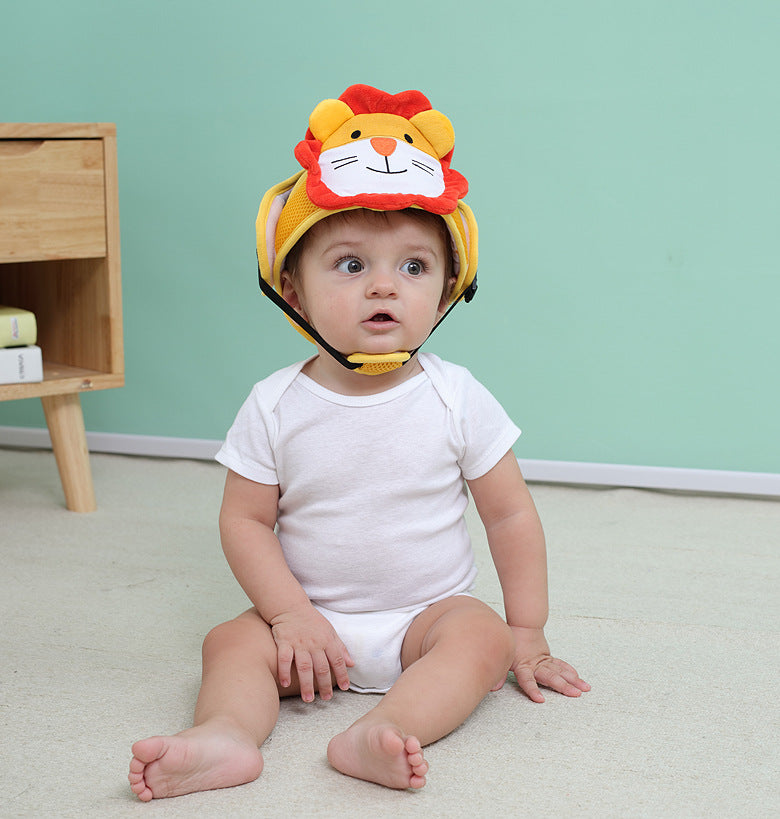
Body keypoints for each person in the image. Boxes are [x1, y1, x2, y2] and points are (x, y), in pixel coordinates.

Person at [128, 84, 589, 801]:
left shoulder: (455, 395)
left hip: (424, 620)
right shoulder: (276, 403)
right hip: (307, 622)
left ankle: (383, 729)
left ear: (444, 293)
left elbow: (509, 514)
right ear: (291, 289)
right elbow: (245, 520)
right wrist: (287, 615)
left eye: (413, 266)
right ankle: (224, 733)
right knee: (229, 641)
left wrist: (528, 628)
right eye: (350, 264)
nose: (385, 286)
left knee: (482, 636)